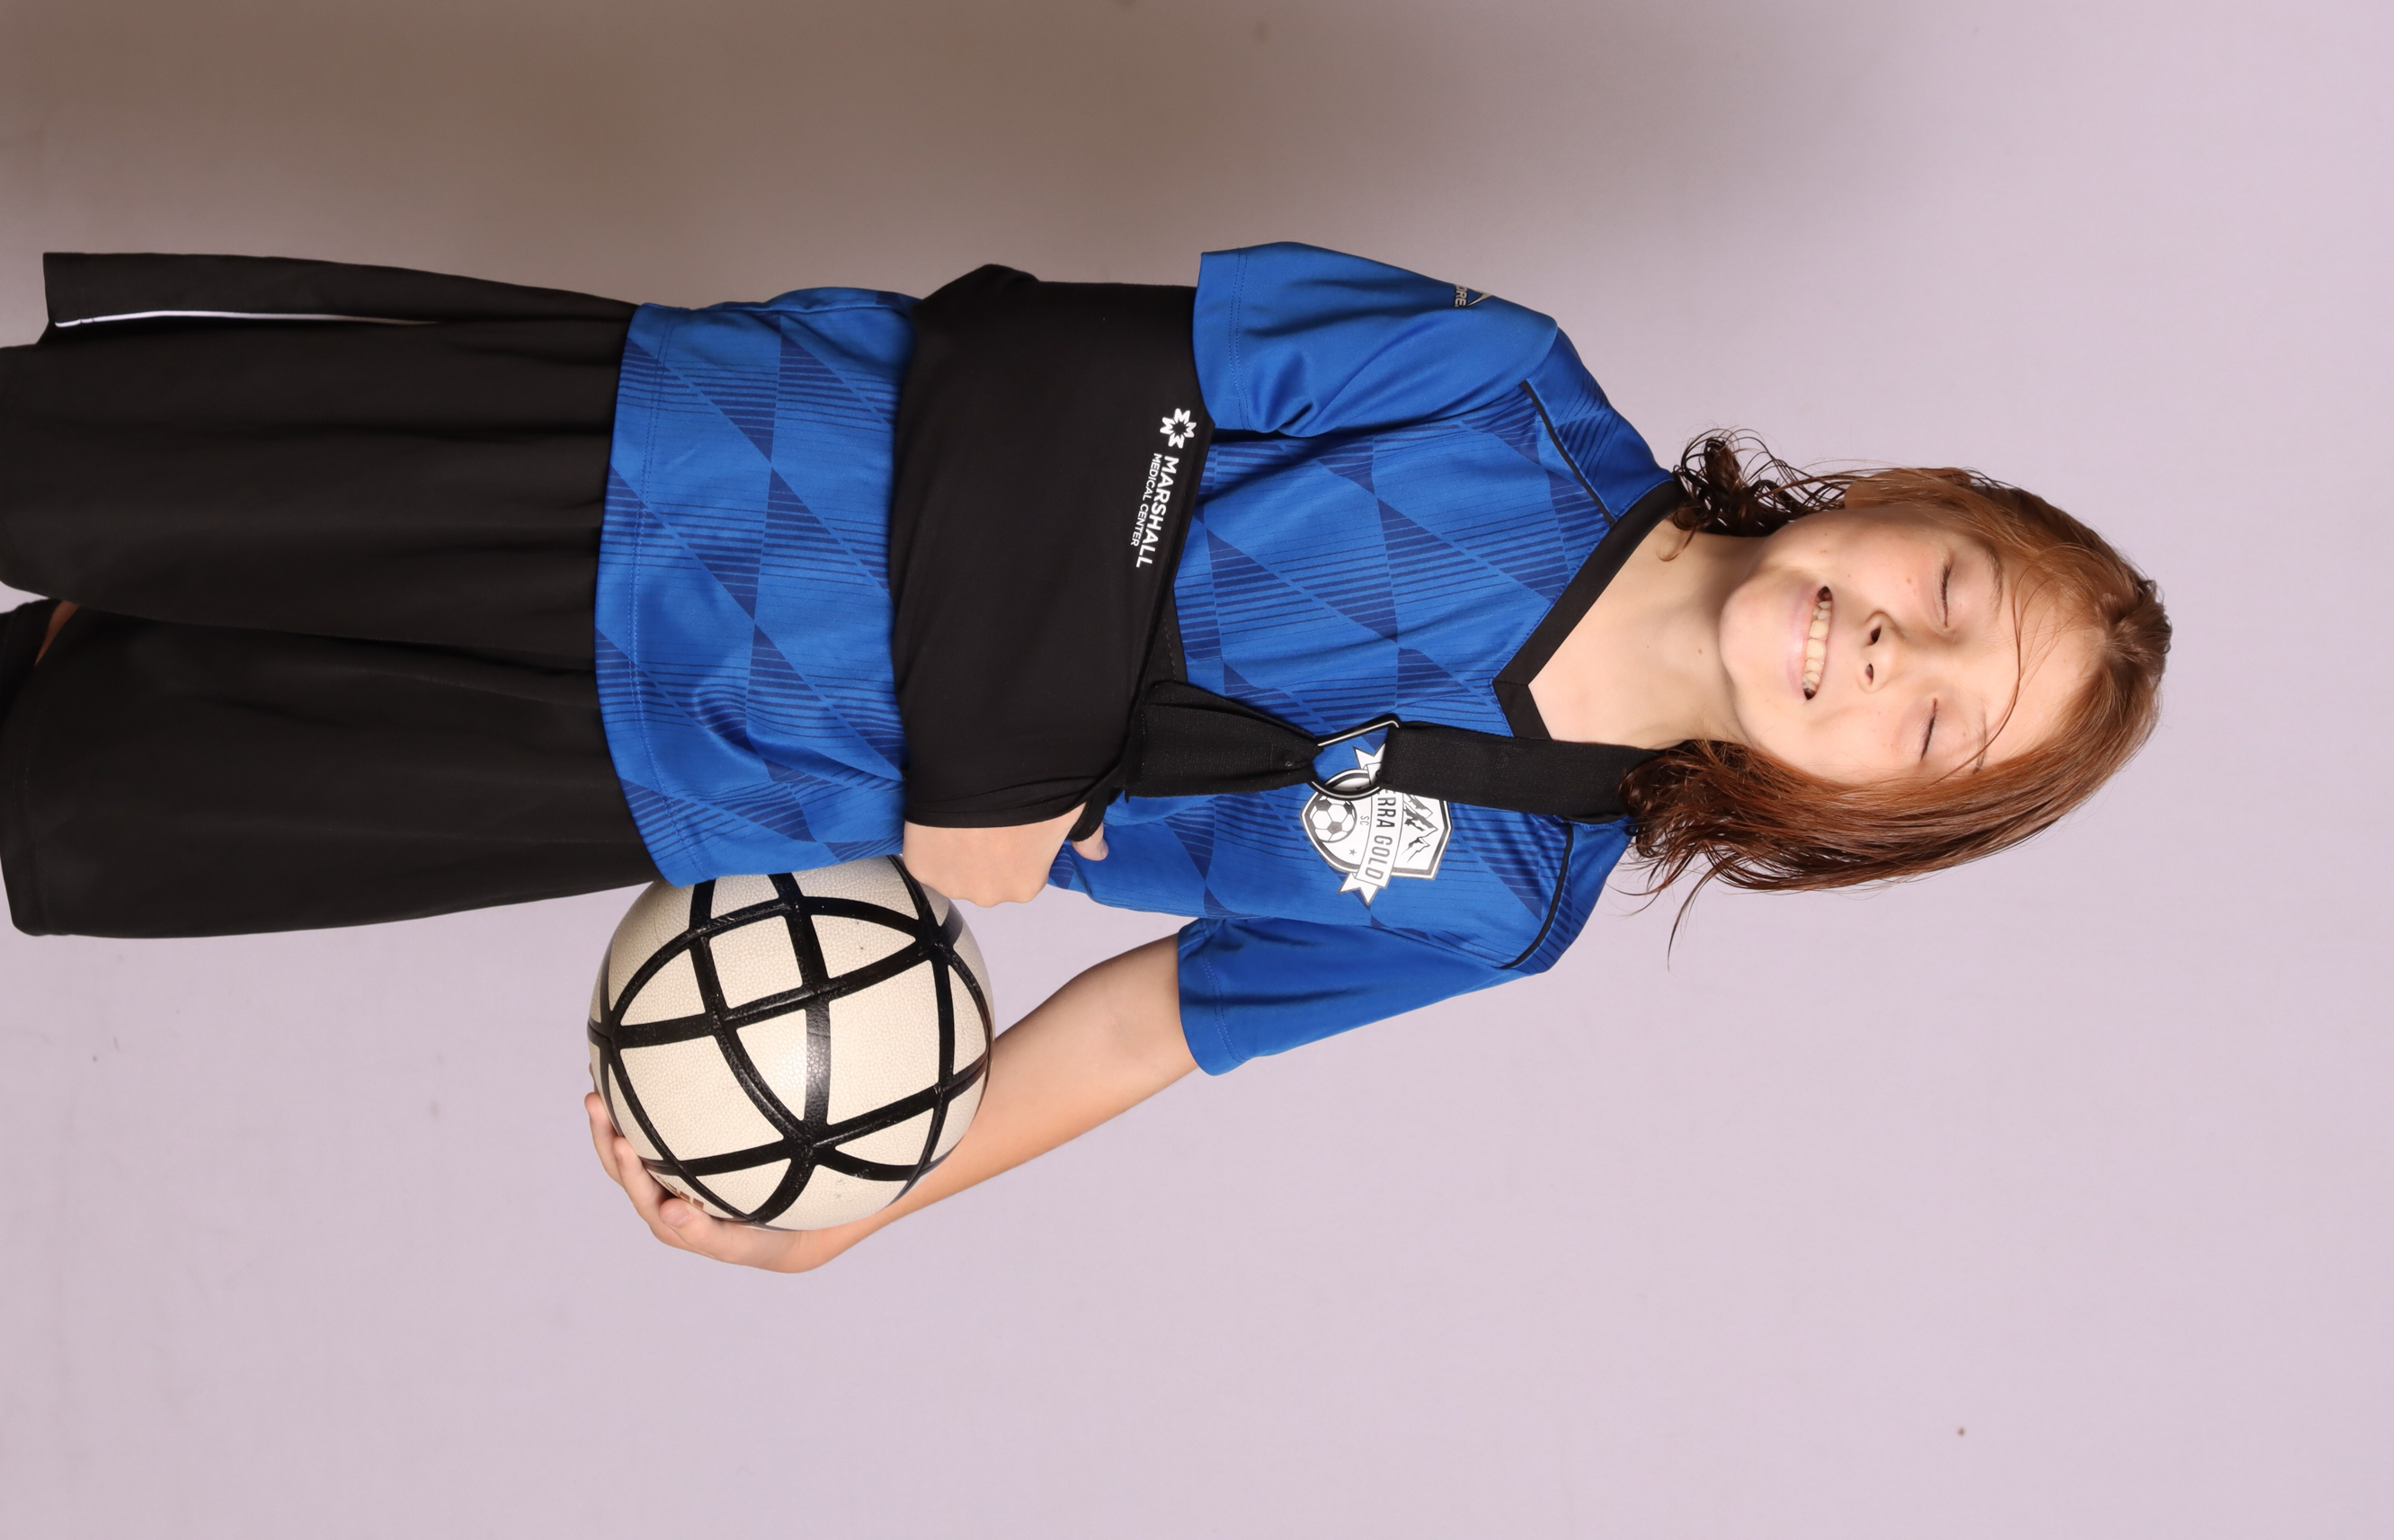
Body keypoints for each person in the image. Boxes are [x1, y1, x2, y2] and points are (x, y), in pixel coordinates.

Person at [0, 244, 2168, 1273]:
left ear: (1878, 819)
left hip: (691, 765)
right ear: (1909, 493)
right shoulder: (1495, 393)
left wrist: (862, 1202)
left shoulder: (1505, 899)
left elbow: (1148, 1021)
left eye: (1937, 720)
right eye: (1948, 582)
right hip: (693, 468)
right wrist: (1002, 774)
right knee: (65, 477)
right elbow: (1049, 371)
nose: (1888, 650)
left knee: (77, 792)